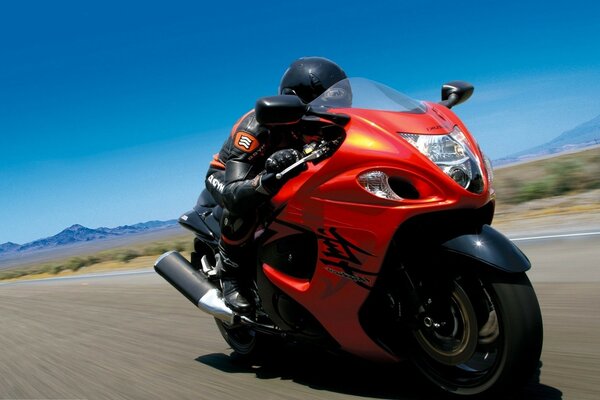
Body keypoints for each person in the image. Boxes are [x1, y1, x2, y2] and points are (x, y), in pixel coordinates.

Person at [203, 57, 347, 313]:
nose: (332, 108)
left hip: (284, 171)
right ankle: (230, 273)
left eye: (338, 100)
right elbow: (235, 190)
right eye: (324, 101)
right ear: (293, 100)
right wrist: (265, 177)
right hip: (230, 176)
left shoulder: (330, 120)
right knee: (247, 203)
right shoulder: (256, 127)